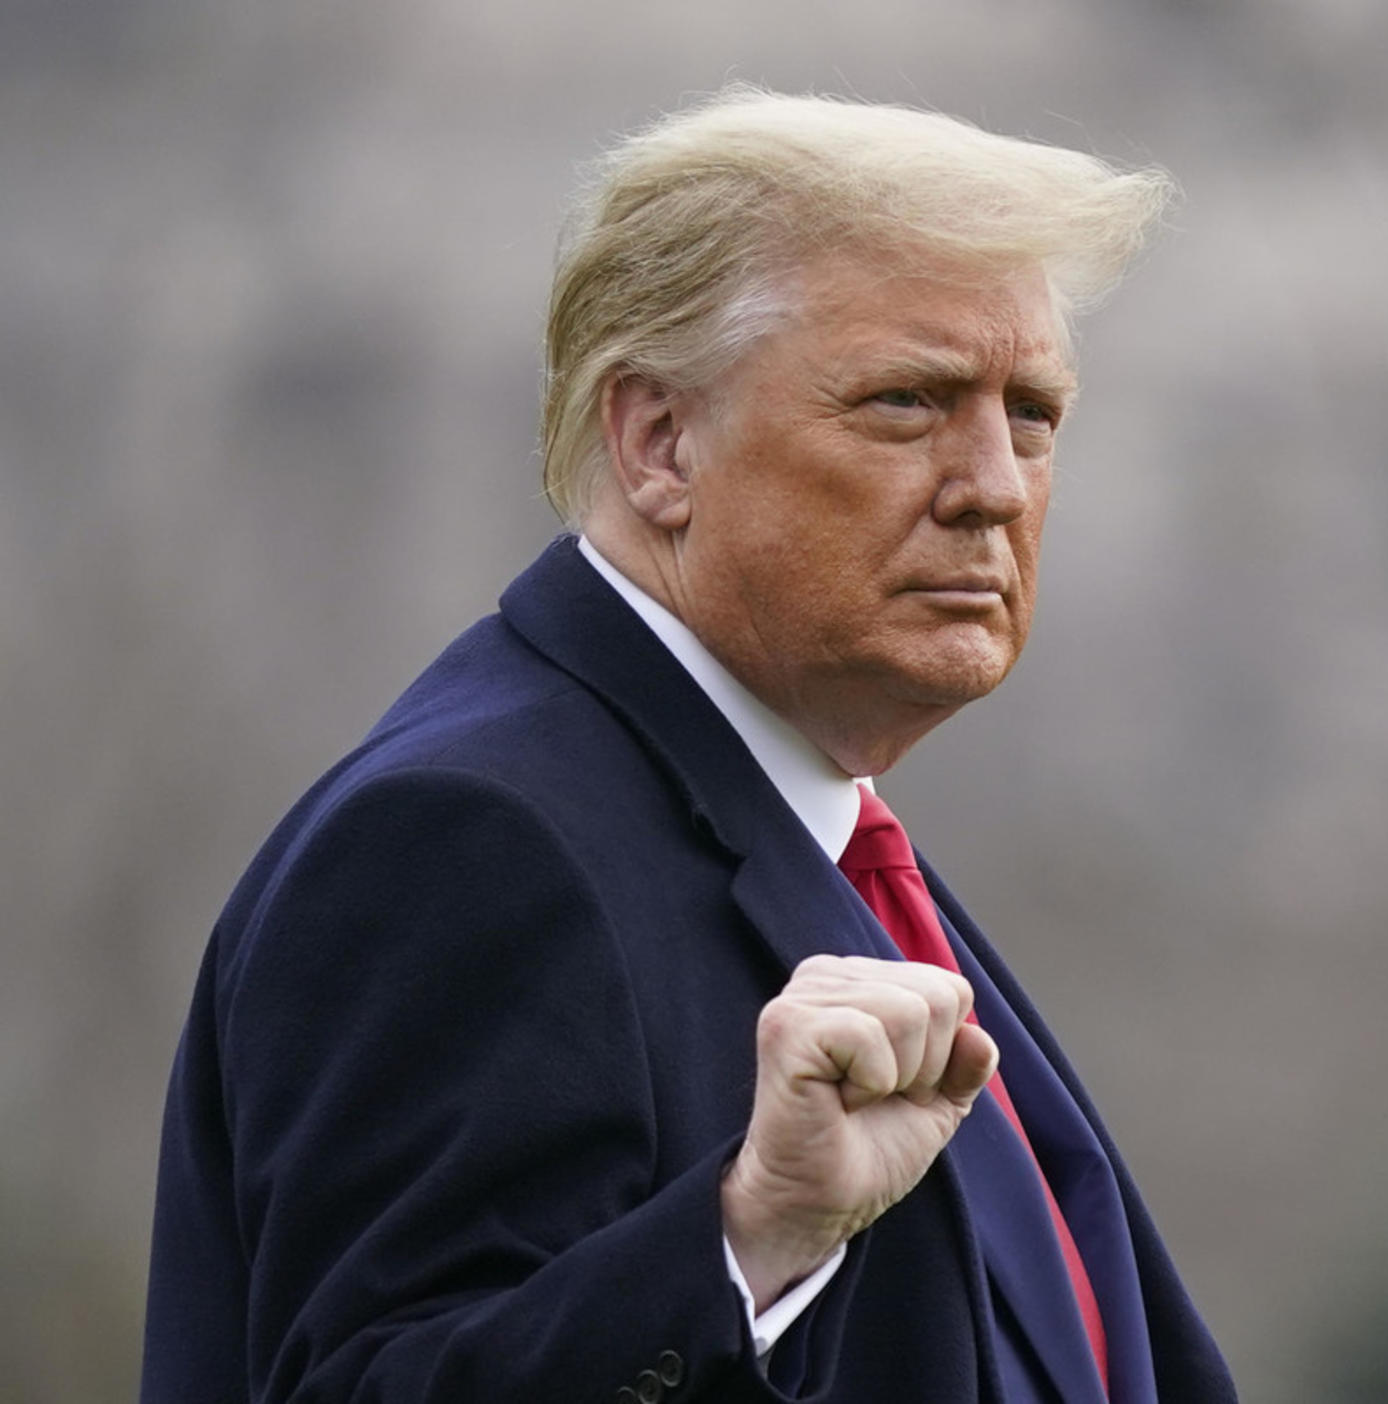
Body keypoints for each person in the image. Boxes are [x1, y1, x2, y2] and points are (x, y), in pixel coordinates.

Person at [140, 87, 1237, 1403]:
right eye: (907, 401)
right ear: (659, 443)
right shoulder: (472, 836)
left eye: (1035, 414)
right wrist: (745, 1237)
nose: (995, 483)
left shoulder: (811, 831)